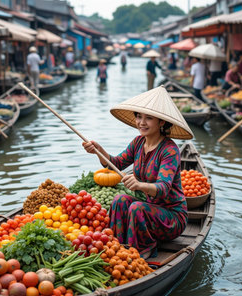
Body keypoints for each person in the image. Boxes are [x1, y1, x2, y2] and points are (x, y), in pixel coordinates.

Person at [82, 86, 191, 258]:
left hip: (172, 218)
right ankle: (116, 246)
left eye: (149, 118)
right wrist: (98, 151)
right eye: (139, 116)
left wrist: (140, 185)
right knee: (119, 200)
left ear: (161, 122)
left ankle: (139, 252)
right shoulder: (138, 142)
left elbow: (163, 188)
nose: (141, 122)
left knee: (136, 208)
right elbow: (115, 163)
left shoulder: (169, 150)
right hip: (150, 210)